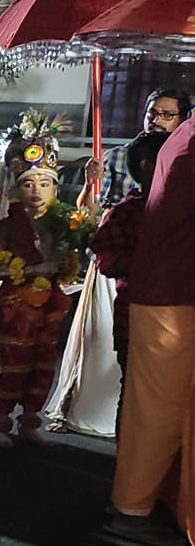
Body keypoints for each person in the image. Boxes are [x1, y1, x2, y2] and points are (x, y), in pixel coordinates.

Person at [108, 107, 195, 545]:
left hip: (174, 288)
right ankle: (133, 509)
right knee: (159, 412)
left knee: (172, 410)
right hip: (171, 293)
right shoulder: (191, 140)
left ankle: (161, 501)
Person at [0, 119, 86, 448]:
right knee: (15, 365)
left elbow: (77, 247)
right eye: (29, 184)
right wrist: (33, 268)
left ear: (55, 188)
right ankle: (0, 422)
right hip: (17, 305)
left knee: (44, 365)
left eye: (44, 183)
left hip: (51, 305)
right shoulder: (10, 226)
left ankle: (30, 420)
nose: (36, 191)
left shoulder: (63, 224)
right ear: (17, 188)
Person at [89, 131, 162, 370]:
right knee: (133, 386)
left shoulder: (181, 209)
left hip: (176, 317)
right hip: (136, 313)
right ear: (147, 167)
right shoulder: (127, 212)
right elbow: (107, 263)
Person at [95, 86, 189, 206]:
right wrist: (91, 183)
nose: (156, 121)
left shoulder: (187, 161)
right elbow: (91, 212)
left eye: (166, 115)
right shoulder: (117, 155)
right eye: (152, 113)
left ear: (182, 120)